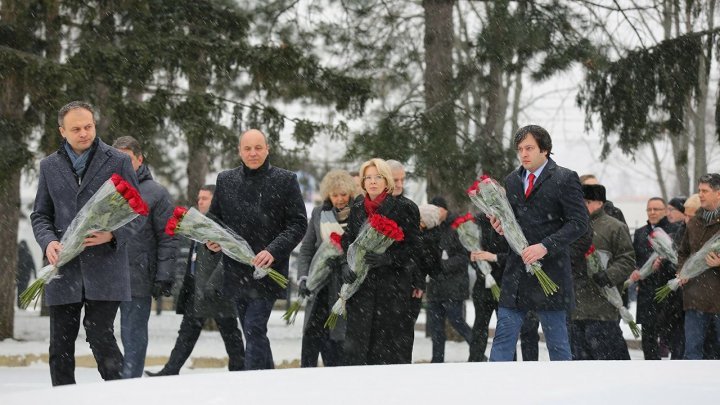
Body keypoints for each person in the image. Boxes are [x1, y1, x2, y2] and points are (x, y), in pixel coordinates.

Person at [31, 101, 142, 386]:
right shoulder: (49, 166)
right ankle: (63, 398)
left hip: (106, 267)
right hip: (63, 268)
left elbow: (137, 211)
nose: (84, 133)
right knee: (60, 346)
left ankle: (119, 394)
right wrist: (48, 243)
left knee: (99, 334)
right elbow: (41, 215)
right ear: (62, 131)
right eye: (76, 129)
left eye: (88, 126)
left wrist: (113, 234)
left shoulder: (117, 160)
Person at [207, 129, 307, 370]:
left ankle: (252, 385)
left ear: (267, 149)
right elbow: (213, 219)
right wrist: (210, 241)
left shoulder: (285, 180)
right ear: (240, 151)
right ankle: (268, 378)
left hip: (268, 271)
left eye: (258, 148)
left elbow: (298, 223)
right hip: (236, 270)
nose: (253, 153)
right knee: (253, 331)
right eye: (247, 148)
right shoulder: (225, 180)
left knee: (254, 326)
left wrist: (273, 250)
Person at [488, 125, 588, 362]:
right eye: (520, 149)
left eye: (529, 148)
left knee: (557, 345)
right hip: (516, 271)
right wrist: (500, 227)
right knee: (503, 339)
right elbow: (512, 220)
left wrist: (545, 246)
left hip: (550, 273)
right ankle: (492, 391)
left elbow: (579, 223)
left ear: (545, 149)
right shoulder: (511, 180)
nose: (523, 153)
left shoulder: (564, 178)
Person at [146, 185, 245, 376]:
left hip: (217, 290)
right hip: (196, 288)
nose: (200, 201)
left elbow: (229, 258)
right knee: (187, 332)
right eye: (199, 198)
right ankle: (171, 369)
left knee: (230, 332)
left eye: (205, 198)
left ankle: (239, 371)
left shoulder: (224, 223)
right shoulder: (198, 223)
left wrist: (214, 284)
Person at [340, 158, 420, 365]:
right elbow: (348, 239)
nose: (373, 182)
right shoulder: (357, 205)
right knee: (358, 349)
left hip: (391, 289)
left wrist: (390, 258)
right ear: (363, 181)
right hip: (361, 289)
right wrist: (344, 265)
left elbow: (415, 248)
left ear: (387, 181)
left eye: (378, 177)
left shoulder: (405, 207)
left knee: (388, 350)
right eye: (368, 177)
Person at [111, 136, 177, 378]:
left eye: (128, 159)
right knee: (101, 334)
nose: (123, 164)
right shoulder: (105, 190)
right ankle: (113, 379)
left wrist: (164, 275)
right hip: (105, 274)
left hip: (137, 276)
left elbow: (168, 236)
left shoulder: (156, 193)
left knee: (133, 334)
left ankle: (130, 382)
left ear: (140, 159)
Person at [296, 169, 356, 367]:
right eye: (335, 194)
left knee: (336, 348)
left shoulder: (358, 215)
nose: (339, 199)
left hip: (343, 291)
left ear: (351, 193)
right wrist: (303, 278)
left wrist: (343, 264)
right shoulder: (319, 213)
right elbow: (306, 249)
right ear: (327, 194)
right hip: (318, 288)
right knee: (310, 347)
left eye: (344, 194)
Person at [570, 184, 635, 360]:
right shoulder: (572, 226)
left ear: (599, 203)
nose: (582, 204)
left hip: (602, 305)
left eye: (587, 201)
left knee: (608, 359)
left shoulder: (614, 227)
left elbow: (627, 259)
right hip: (575, 305)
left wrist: (608, 275)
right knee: (580, 362)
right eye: (580, 201)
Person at [629, 197, 679, 360]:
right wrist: (636, 271)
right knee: (648, 336)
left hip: (668, 290)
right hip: (646, 290)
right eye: (649, 209)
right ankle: (650, 366)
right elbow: (635, 258)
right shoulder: (640, 232)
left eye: (656, 209)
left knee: (670, 335)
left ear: (665, 210)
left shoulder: (675, 229)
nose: (652, 212)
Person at [677, 174, 720, 359]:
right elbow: (683, 252)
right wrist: (682, 271)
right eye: (699, 190)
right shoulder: (694, 222)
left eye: (705, 191)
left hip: (718, 297)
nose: (700, 195)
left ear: (718, 193)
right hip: (695, 297)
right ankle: (692, 387)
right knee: (692, 352)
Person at [424, 201, 472, 363]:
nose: (435, 212)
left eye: (437, 209)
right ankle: (437, 360)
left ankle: (477, 350)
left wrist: (443, 264)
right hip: (435, 286)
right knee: (435, 326)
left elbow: (465, 256)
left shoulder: (458, 226)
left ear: (444, 209)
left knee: (457, 321)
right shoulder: (430, 226)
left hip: (454, 286)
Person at [387, 160, 422, 363]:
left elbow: (416, 247)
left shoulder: (409, 207)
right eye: (395, 179)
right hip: (377, 277)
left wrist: (418, 279)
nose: (400, 184)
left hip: (402, 278)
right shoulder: (373, 204)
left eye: (402, 179)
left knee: (402, 336)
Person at [468, 214, 508, 362]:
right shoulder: (478, 224)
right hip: (482, 284)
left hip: (504, 284)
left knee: (504, 330)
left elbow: (515, 256)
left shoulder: (509, 220)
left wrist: (494, 257)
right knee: (479, 328)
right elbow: (472, 249)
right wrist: (473, 258)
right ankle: (475, 361)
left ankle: (505, 362)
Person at [16, 240, 36, 308]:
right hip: (26, 276)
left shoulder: (18, 253)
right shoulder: (28, 253)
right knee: (24, 290)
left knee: (19, 290)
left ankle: (19, 304)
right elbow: (33, 265)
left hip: (19, 275)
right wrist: (35, 274)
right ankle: (22, 304)